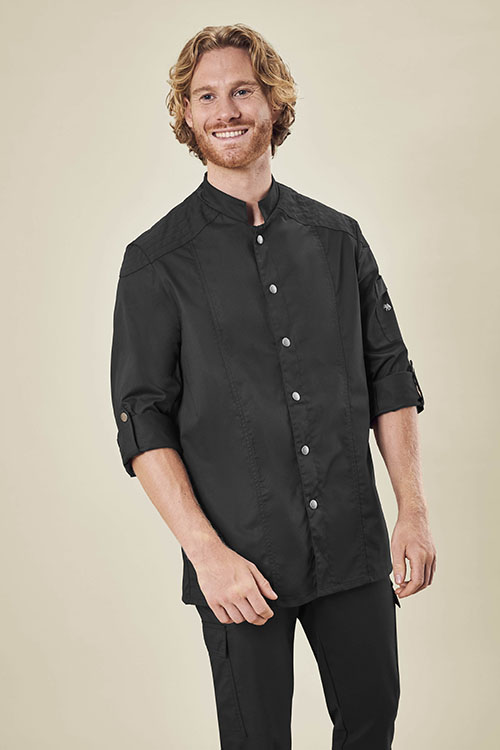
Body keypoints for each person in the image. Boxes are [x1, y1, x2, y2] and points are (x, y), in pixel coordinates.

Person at [110, 23, 436, 750]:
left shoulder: (339, 239)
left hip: (352, 544)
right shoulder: (155, 263)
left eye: (242, 91)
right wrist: (207, 554)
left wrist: (411, 511)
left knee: (372, 724)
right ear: (187, 114)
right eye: (205, 96)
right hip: (240, 561)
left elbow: (389, 373)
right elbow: (142, 421)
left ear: (274, 102)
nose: (225, 110)